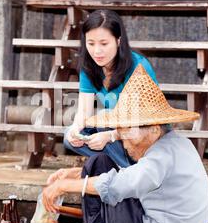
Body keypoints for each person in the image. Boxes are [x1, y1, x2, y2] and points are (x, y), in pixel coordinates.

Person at [43, 65, 208, 223]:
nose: (124, 142)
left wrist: (64, 186)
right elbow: (133, 174)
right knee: (98, 163)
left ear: (154, 130)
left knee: (106, 176)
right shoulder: (177, 144)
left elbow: (122, 183)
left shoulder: (162, 154)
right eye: (121, 133)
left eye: (128, 133)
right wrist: (76, 175)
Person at [64, 9, 159, 168]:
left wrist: (110, 136)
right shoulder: (88, 68)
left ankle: (132, 168)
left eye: (104, 43)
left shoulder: (138, 66)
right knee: (68, 137)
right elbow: (84, 113)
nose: (97, 51)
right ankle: (122, 166)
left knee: (103, 119)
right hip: (116, 130)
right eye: (91, 43)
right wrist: (75, 130)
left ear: (118, 41)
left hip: (142, 133)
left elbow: (145, 123)